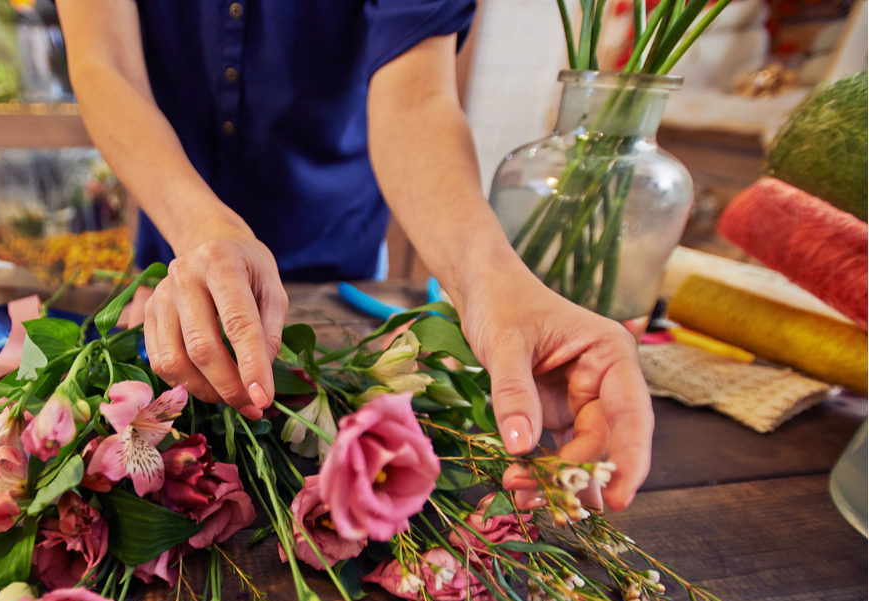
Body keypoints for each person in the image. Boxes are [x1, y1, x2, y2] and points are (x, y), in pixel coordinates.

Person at [55, 0, 654, 511]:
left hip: (337, 258)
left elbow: (416, 98)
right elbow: (104, 65)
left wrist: (491, 280)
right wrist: (203, 228)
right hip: (176, 262)